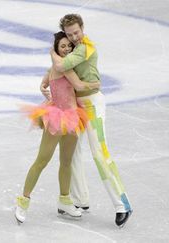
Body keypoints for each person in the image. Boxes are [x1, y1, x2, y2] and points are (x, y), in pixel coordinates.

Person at [47, 13, 133, 228]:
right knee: (72, 153)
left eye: (76, 32)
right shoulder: (71, 48)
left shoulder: (86, 48)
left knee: (99, 153)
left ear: (82, 28)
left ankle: (122, 204)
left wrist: (52, 51)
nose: (74, 37)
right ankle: (80, 200)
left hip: (93, 105)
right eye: (69, 34)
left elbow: (60, 66)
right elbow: (56, 70)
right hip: (75, 108)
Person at [15, 31, 100, 224]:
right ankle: (23, 201)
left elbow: (47, 79)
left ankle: (65, 201)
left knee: (66, 162)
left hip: (72, 117)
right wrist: (96, 83)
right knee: (42, 161)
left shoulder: (59, 65)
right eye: (62, 46)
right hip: (56, 118)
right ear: (56, 48)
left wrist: (45, 80)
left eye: (69, 46)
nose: (67, 49)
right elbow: (78, 84)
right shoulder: (62, 66)